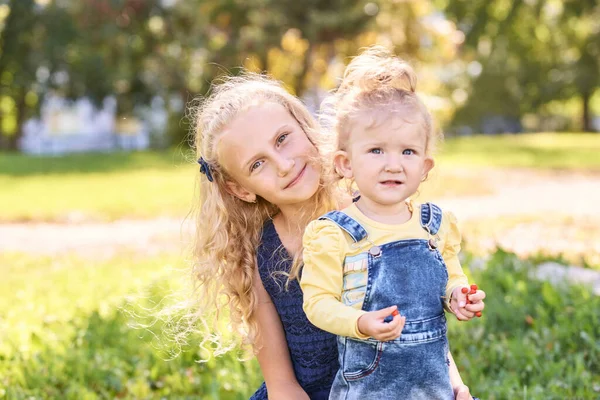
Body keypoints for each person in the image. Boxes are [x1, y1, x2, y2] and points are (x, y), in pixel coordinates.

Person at [191, 71, 479, 399]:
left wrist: (453, 383)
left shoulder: (380, 217)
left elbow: (419, 327)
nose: (283, 165)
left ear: (305, 126)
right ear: (239, 189)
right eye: (258, 164)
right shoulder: (258, 256)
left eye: (283, 139)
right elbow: (282, 386)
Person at [300, 46, 486, 400]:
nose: (393, 164)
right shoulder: (334, 233)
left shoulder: (435, 225)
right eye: (376, 150)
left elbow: (450, 277)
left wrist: (457, 296)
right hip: (370, 388)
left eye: (408, 152)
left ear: (424, 168)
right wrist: (360, 323)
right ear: (345, 164)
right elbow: (318, 303)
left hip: (433, 385)